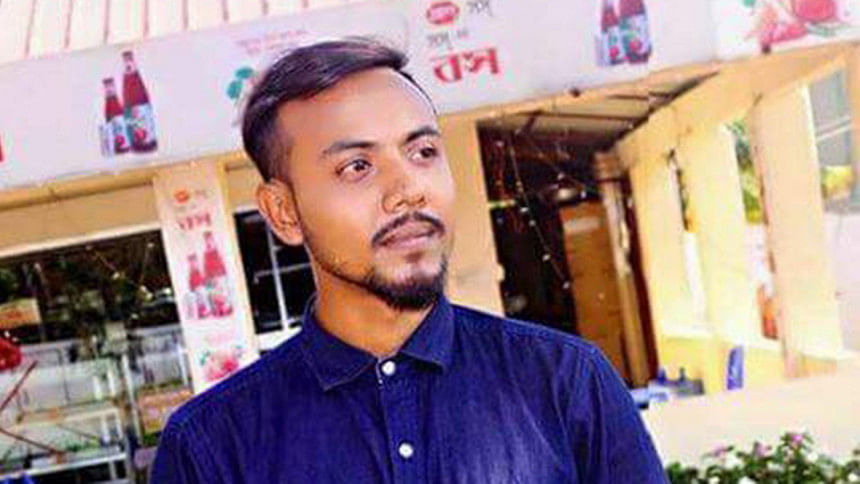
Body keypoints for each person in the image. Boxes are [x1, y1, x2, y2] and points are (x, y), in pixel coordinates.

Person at [150, 37, 667, 483]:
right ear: (283, 212)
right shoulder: (213, 448)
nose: (408, 190)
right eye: (357, 166)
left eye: (422, 153)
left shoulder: (566, 383)